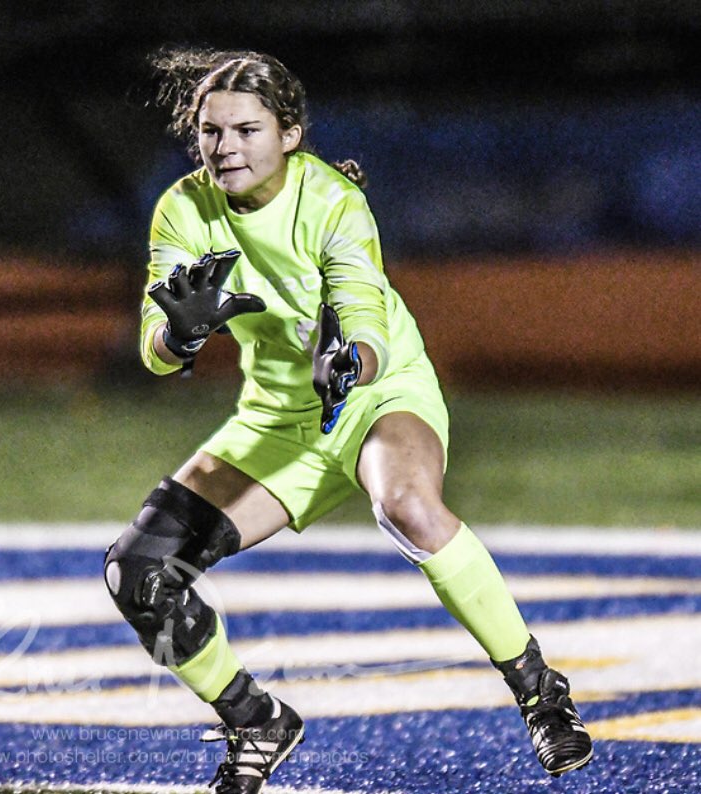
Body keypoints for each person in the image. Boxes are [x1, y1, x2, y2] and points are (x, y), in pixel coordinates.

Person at [103, 47, 593, 793]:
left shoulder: (332, 201)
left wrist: (350, 364)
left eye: (246, 130)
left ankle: (539, 692)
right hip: (276, 421)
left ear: (290, 134)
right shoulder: (182, 208)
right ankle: (255, 720)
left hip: (376, 392)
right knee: (137, 573)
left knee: (407, 505)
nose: (225, 146)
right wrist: (182, 333)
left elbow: (362, 312)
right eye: (211, 131)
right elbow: (156, 350)